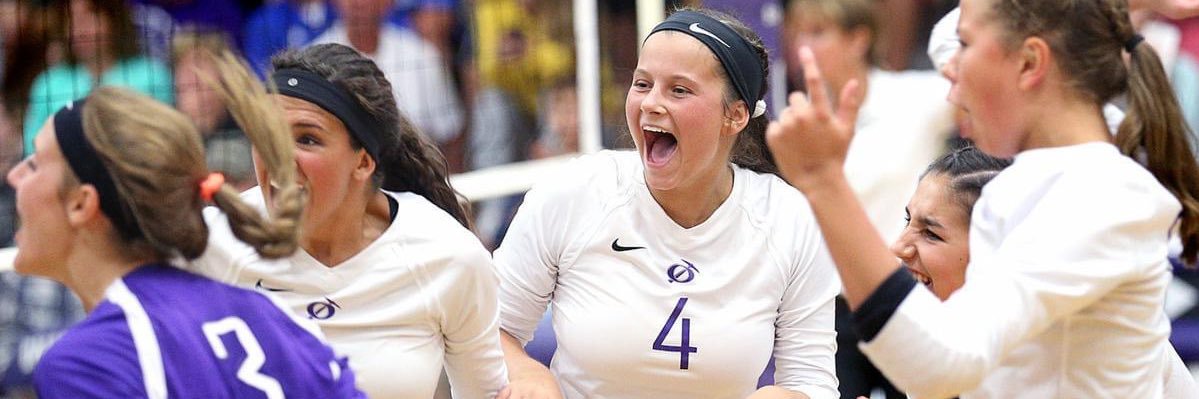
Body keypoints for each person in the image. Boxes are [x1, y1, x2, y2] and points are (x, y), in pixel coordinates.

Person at [766, 0, 1199, 397]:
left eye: (966, 47)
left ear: (1031, 62)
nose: (950, 77)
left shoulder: (1102, 192)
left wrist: (824, 181)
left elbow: (941, 362)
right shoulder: (1036, 177)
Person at [494, 8, 839, 399]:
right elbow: (487, 330)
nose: (650, 104)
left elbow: (812, 382)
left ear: (736, 115)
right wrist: (528, 376)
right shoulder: (576, 192)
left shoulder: (787, 218)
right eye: (642, 84)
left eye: (679, 90)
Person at [5, 51, 363, 398]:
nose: (14, 176)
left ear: (82, 204)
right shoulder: (273, 317)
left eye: (34, 164)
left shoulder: (90, 362)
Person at [182, 43, 507, 398]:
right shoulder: (214, 244)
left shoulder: (448, 255)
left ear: (364, 162)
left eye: (307, 139)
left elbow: (487, 393)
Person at [23, 0, 173, 156]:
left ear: (113, 19)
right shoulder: (49, 82)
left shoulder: (152, 75)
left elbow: (165, 141)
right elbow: (32, 148)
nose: (78, 30)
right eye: (70, 19)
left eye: (89, 17)